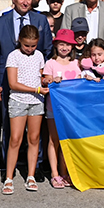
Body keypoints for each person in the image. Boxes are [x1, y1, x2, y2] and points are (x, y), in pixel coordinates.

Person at [0, 0, 53, 173]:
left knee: (35, 131)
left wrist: (44, 76)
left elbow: (47, 50)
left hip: (35, 84)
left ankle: (36, 166)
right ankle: (9, 167)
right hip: (8, 82)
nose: (25, 2)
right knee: (10, 128)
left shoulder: (40, 20)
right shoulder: (1, 22)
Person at [2, 25, 47, 195]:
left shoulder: (39, 56)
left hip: (36, 102)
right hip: (18, 101)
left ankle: (31, 175)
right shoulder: (13, 56)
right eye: (27, 45)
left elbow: (41, 77)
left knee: (34, 139)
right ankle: (8, 177)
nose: (30, 49)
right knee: (15, 139)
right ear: (19, 41)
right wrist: (36, 89)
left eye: (33, 45)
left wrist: (48, 79)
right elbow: (13, 84)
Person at [42, 29, 81, 189]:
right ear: (56, 45)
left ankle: (64, 172)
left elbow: (80, 82)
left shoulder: (75, 64)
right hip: (53, 107)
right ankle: (54, 173)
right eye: (61, 44)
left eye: (68, 44)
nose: (64, 47)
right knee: (54, 140)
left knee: (66, 141)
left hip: (70, 109)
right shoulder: (50, 63)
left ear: (72, 47)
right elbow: (44, 80)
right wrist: (51, 80)